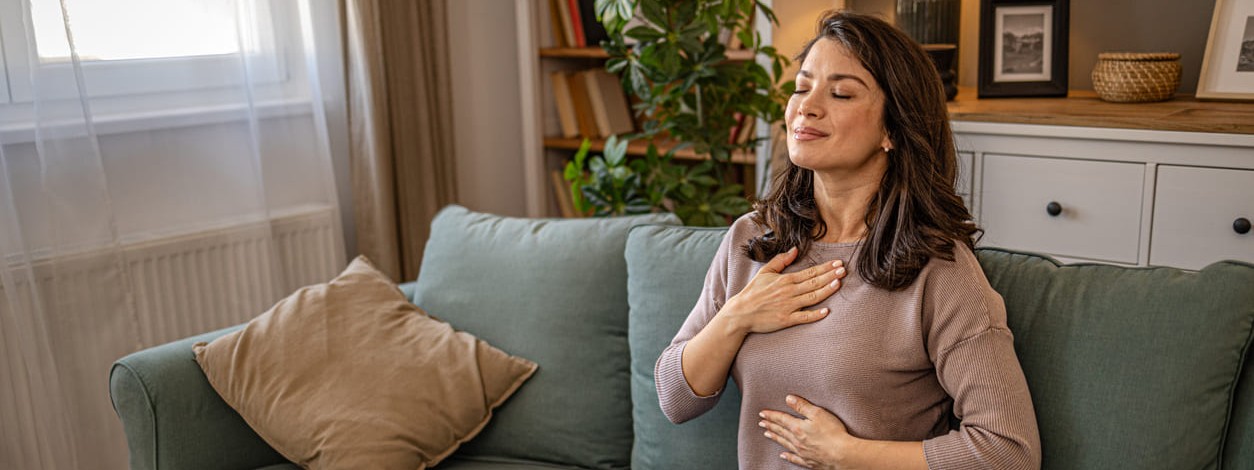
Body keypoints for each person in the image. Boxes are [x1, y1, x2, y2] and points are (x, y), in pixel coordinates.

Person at [654, 10, 1041, 470]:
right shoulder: (754, 239)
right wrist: (738, 316)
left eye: (840, 93)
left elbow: (1009, 452)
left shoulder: (938, 268)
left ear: (892, 130)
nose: (806, 106)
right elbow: (676, 400)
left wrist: (848, 454)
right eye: (801, 87)